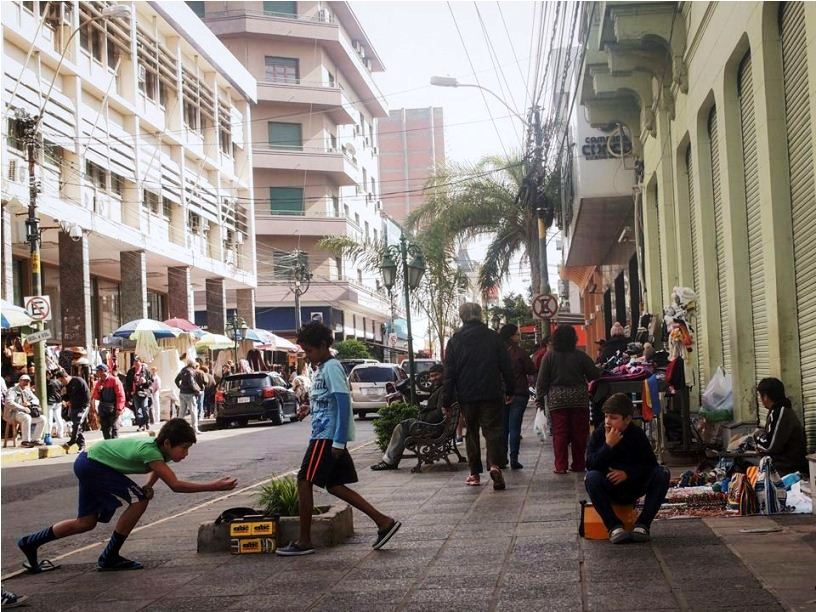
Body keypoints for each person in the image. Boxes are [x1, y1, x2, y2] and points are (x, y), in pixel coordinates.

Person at [16, 419, 236, 573]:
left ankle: (30, 543)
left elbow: (158, 471)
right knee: (139, 500)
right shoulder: (151, 451)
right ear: (168, 443)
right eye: (184, 448)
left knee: (86, 522)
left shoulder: (160, 451)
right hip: (94, 465)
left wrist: (149, 485)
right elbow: (175, 485)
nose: (186, 454)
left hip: (88, 461)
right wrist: (215, 486)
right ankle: (110, 556)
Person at [276, 321, 400, 556]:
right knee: (334, 486)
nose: (308, 357)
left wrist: (339, 441)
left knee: (304, 481)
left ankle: (304, 540)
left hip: (326, 437)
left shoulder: (332, 367)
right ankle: (383, 522)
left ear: (323, 346)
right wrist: (308, 409)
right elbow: (328, 402)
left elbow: (343, 404)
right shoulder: (322, 368)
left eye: (310, 351)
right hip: (325, 434)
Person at [443, 302, 514, 490]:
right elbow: (506, 366)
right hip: (491, 392)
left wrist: (446, 400)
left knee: (471, 433)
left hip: (466, 395)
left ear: (461, 316)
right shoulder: (494, 337)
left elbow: (449, 374)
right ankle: (495, 465)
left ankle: (474, 474)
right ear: (480, 315)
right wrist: (510, 389)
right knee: (493, 431)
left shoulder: (455, 341)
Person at [585, 393, 670, 544]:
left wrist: (628, 474)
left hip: (633, 485)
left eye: (613, 417)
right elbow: (590, 464)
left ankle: (643, 525)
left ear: (627, 419)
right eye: (606, 417)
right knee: (591, 477)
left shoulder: (636, 434)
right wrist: (608, 446)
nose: (607, 422)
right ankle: (614, 527)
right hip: (609, 486)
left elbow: (649, 465)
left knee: (662, 473)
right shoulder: (599, 434)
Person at [536, 324, 600, 474]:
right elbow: (594, 374)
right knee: (579, 432)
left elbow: (542, 381)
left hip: (557, 399)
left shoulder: (549, 356)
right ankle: (578, 464)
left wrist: (539, 399)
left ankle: (561, 465)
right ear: (574, 339)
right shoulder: (580, 356)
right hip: (578, 398)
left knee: (559, 433)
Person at [370, 364, 446, 471]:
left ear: (444, 374)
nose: (433, 378)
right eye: (432, 376)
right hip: (434, 425)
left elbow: (438, 413)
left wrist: (422, 416)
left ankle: (389, 461)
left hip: (433, 427)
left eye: (436, 375)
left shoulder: (443, 390)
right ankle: (389, 460)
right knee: (403, 425)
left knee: (401, 427)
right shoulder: (440, 388)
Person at [499, 324, 537, 470]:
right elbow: (531, 368)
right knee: (515, 427)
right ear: (511, 336)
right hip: (519, 392)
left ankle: (502, 458)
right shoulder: (519, 352)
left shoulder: (498, 351)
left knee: (503, 427)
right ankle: (514, 458)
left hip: (502, 393)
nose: (518, 337)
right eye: (517, 334)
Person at [753, 378, 808, 475]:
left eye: (760, 396)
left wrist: (757, 435)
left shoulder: (780, 412)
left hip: (787, 468)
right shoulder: (777, 411)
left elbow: (769, 446)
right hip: (783, 465)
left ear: (765, 396)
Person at [5, 374, 46, 447]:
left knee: (43, 419)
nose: (26, 383)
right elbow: (9, 402)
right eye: (24, 381)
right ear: (20, 381)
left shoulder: (27, 390)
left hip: (25, 413)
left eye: (27, 381)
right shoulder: (12, 390)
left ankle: (35, 440)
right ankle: (25, 441)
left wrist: (29, 403)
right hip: (13, 413)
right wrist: (22, 408)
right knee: (27, 417)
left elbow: (36, 400)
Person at [58, 369, 90, 452]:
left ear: (65, 377)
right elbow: (67, 397)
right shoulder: (67, 386)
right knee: (76, 426)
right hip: (73, 408)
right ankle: (81, 445)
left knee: (77, 424)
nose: (62, 382)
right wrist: (64, 397)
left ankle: (71, 441)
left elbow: (86, 393)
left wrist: (85, 405)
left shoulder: (78, 381)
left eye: (62, 380)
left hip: (82, 407)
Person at [91, 365, 126, 440]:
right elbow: (95, 397)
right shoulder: (99, 382)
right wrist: (98, 390)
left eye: (97, 371)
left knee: (114, 429)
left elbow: (121, 395)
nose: (96, 373)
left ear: (102, 371)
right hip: (103, 409)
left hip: (113, 409)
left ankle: (115, 448)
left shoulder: (114, 380)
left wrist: (119, 409)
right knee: (105, 430)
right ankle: (107, 447)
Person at [125, 357, 153, 432]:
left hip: (144, 392)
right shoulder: (131, 372)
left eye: (138, 362)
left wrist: (145, 381)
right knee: (138, 410)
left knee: (144, 408)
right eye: (135, 362)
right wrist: (129, 391)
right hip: (134, 393)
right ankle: (141, 425)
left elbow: (151, 381)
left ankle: (147, 422)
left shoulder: (145, 371)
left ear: (140, 362)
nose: (136, 364)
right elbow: (127, 382)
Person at [174, 359, 202, 434]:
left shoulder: (182, 370)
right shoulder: (191, 371)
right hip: (190, 394)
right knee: (193, 411)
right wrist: (197, 391)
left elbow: (176, 380)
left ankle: (177, 429)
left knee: (181, 412)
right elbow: (191, 383)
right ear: (192, 364)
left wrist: (180, 387)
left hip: (182, 393)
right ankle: (195, 429)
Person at [46, 368, 66, 439]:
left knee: (49, 419)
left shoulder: (48, 382)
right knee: (58, 418)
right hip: (58, 401)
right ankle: (60, 434)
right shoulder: (60, 382)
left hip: (50, 402)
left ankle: (48, 435)